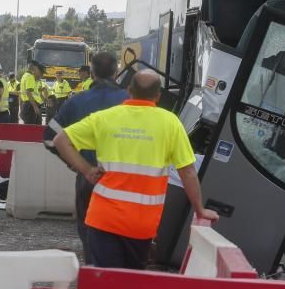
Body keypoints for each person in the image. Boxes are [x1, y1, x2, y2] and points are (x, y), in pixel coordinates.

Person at [53, 70, 218, 269]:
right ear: (158, 96)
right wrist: (200, 210)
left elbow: (60, 140)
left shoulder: (104, 118)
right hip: (141, 225)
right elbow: (188, 171)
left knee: (103, 284)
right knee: (130, 284)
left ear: (129, 91)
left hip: (103, 219)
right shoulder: (170, 123)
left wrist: (86, 170)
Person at [44, 52, 127, 264]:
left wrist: (77, 165)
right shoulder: (130, 101)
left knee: (90, 236)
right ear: (116, 72)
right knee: (123, 238)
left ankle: (93, 275)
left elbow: (49, 138)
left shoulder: (76, 101)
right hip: (124, 181)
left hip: (88, 178)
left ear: (91, 73)